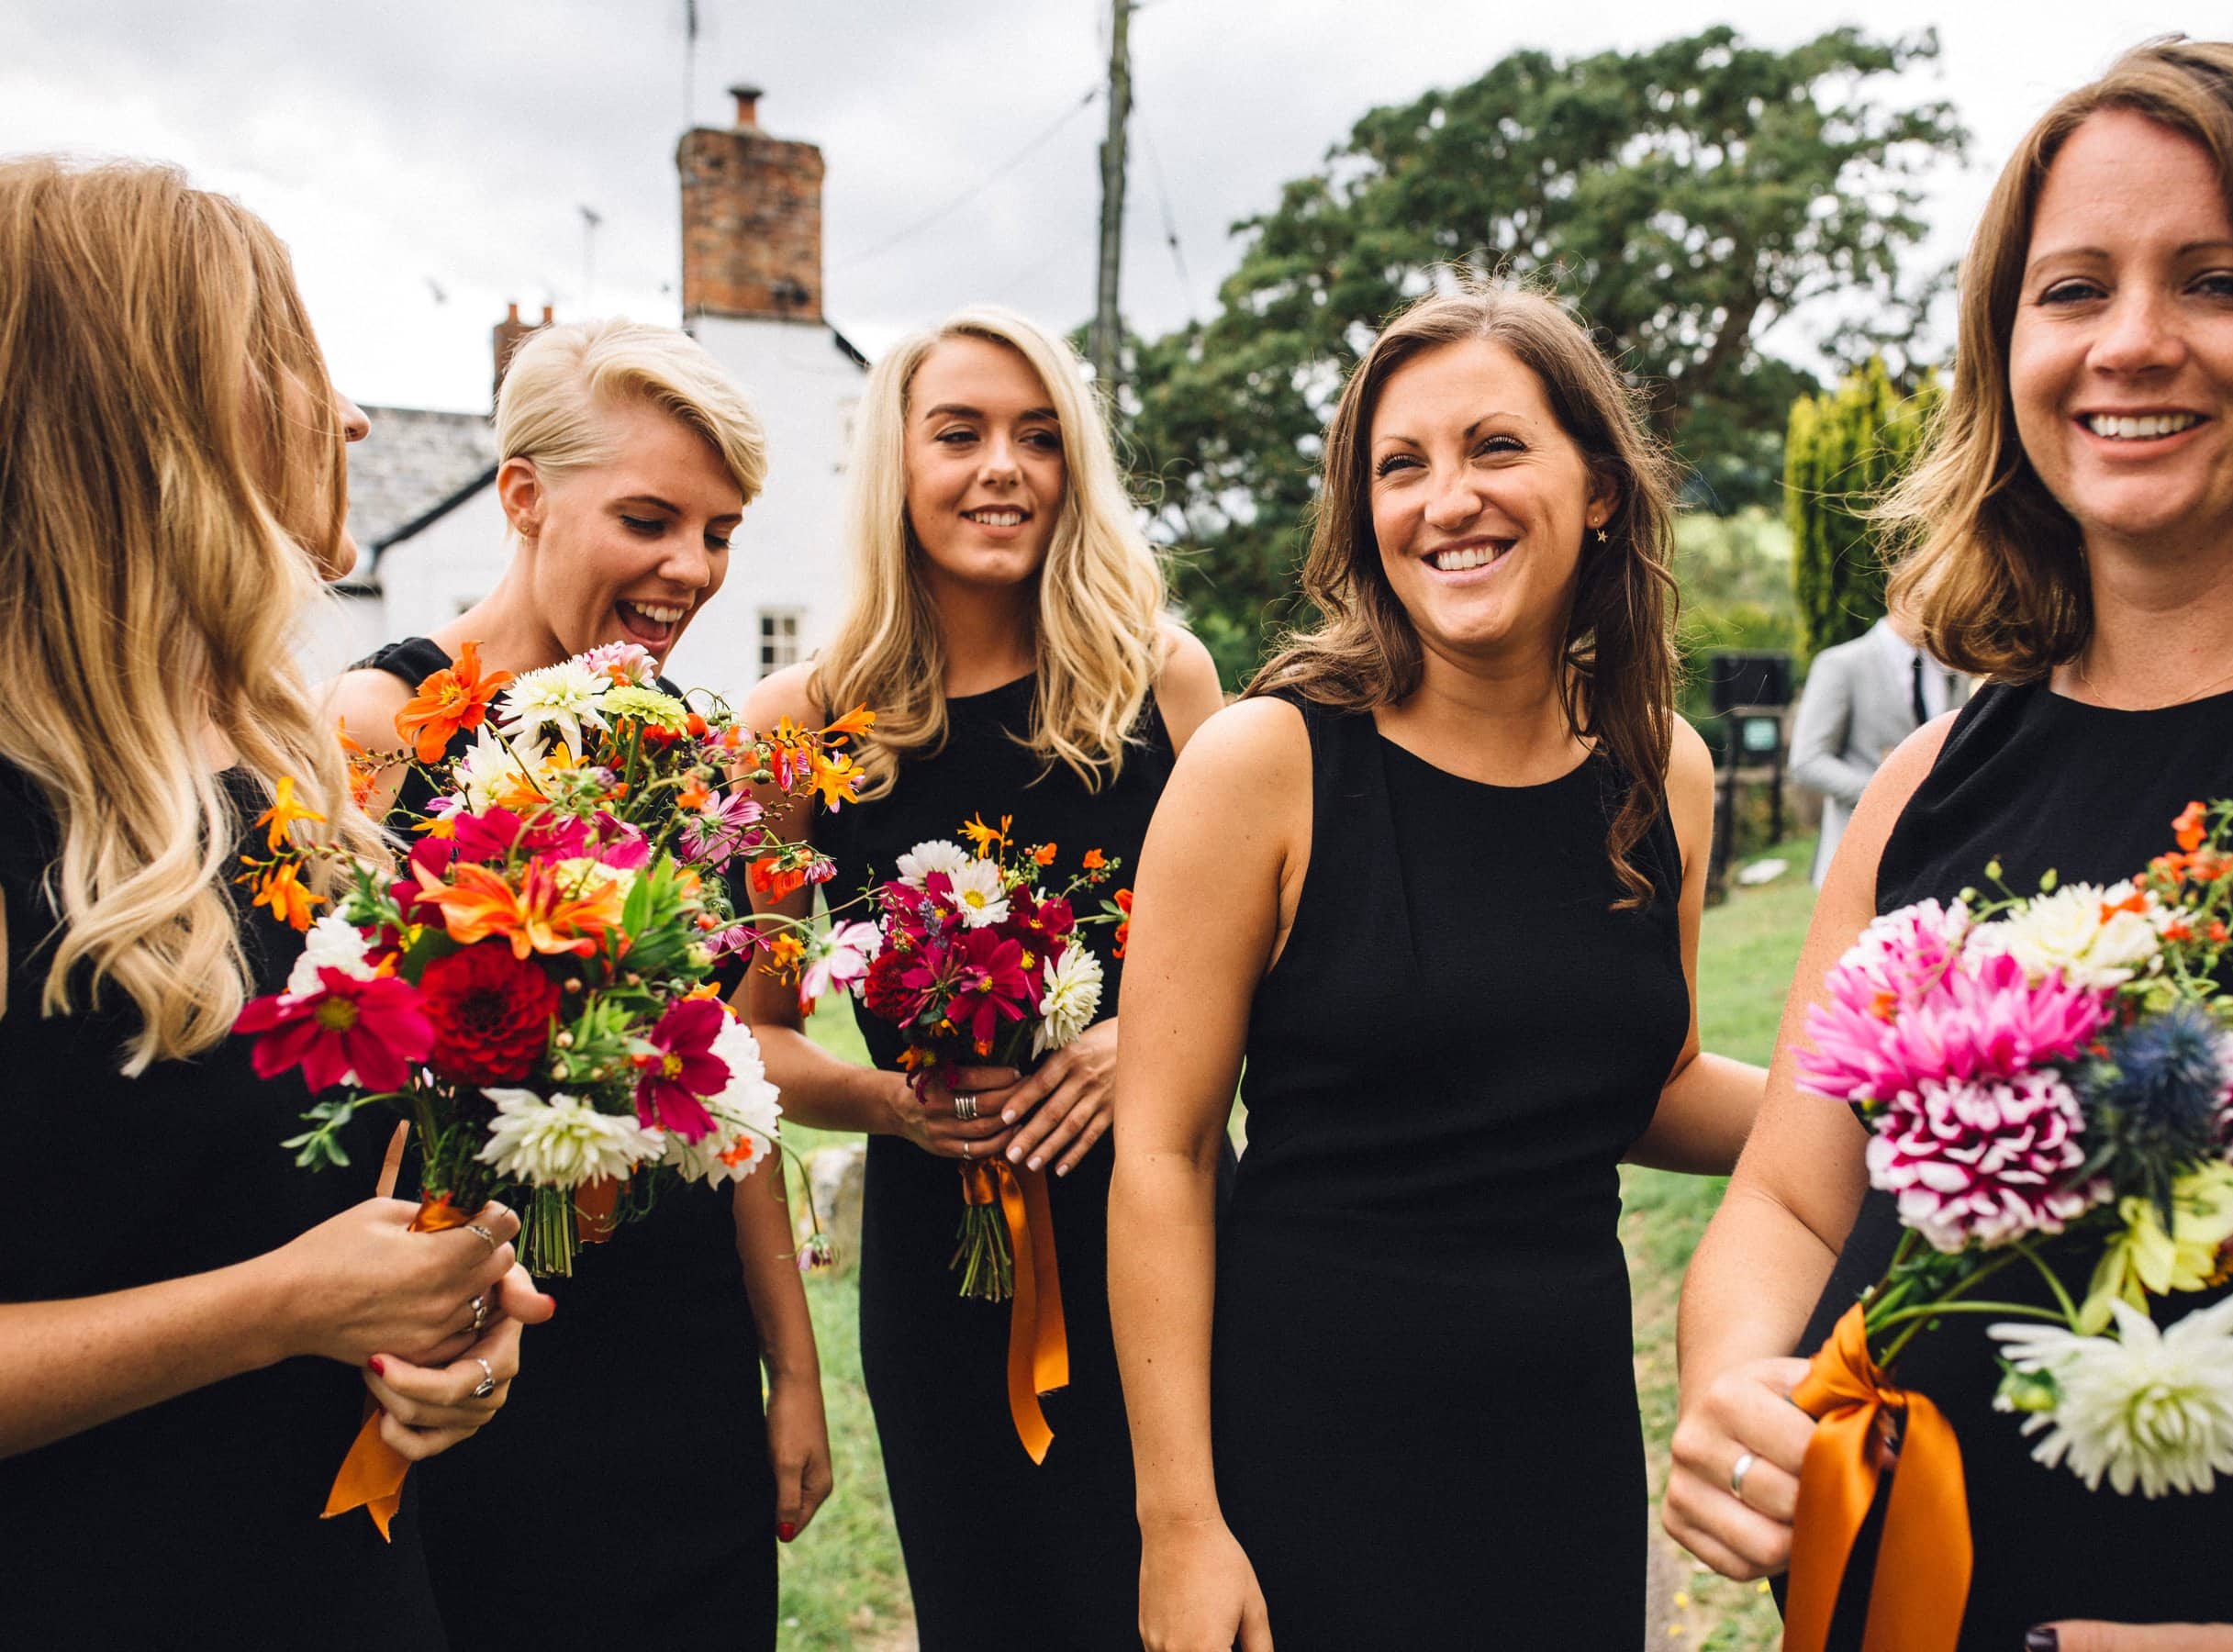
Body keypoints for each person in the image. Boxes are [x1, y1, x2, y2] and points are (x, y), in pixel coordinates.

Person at [1664, 40, 2233, 1651]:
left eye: (2218, 279)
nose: (2133, 344)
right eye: (2072, 289)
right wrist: (1732, 1388)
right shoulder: (1920, 786)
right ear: (2003, 343)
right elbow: (1792, 1210)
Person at [1111, 285, 1766, 1652]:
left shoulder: (1669, 774)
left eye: (1495, 448)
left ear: (1596, 486)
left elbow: (1649, 1084)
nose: (1444, 499)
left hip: (1566, 1442)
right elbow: (1163, 1155)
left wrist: (1898, 1107)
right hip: (1312, 1450)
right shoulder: (1267, 763)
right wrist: (1181, 1526)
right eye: (1399, 467)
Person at [0, 157, 552, 1648]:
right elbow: (270, 1285)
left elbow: (302, 1221)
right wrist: (277, 1309)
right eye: (296, 364)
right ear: (153, 412)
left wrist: (441, 1345)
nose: (355, 419)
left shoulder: (278, 781)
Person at [329, 318, 830, 1648]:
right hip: (479, 1355)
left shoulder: (686, 746)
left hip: (683, 1365)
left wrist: (793, 1366)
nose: (692, 571)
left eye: (719, 533)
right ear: (523, 496)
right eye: (653, 520)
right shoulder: (379, 731)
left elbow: (733, 1083)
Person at [736, 304, 1224, 1650]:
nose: (1002, 467)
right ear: (898, 463)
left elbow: (1278, 974)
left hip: (1168, 1240)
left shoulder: (1163, 685)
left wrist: (1150, 1044)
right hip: (939, 1271)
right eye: (959, 434)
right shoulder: (802, 730)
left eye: (1039, 437)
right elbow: (749, 1046)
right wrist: (885, 1102)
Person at [1788, 613, 1963, 885]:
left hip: (1936, 861)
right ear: (1901, 593)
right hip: (1860, 858)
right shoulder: (1841, 664)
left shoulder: (1953, 669)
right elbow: (1808, 761)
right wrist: (1887, 791)